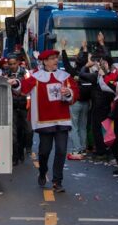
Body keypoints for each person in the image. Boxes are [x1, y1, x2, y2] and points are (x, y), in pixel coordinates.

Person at [9, 49, 79, 193]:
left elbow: (75, 93)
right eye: (52, 58)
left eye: (56, 58)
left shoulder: (64, 76)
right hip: (45, 121)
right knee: (44, 152)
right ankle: (42, 171)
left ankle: (57, 181)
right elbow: (23, 87)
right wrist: (15, 83)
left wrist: (69, 93)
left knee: (61, 150)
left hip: (62, 120)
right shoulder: (36, 77)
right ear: (45, 61)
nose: (55, 61)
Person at [4, 52, 31, 165]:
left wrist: (29, 104)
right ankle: (15, 157)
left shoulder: (26, 73)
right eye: (10, 64)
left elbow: (30, 88)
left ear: (18, 63)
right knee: (13, 134)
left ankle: (24, 149)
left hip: (25, 106)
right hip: (12, 107)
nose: (12, 66)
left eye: (14, 63)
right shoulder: (5, 74)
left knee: (27, 131)